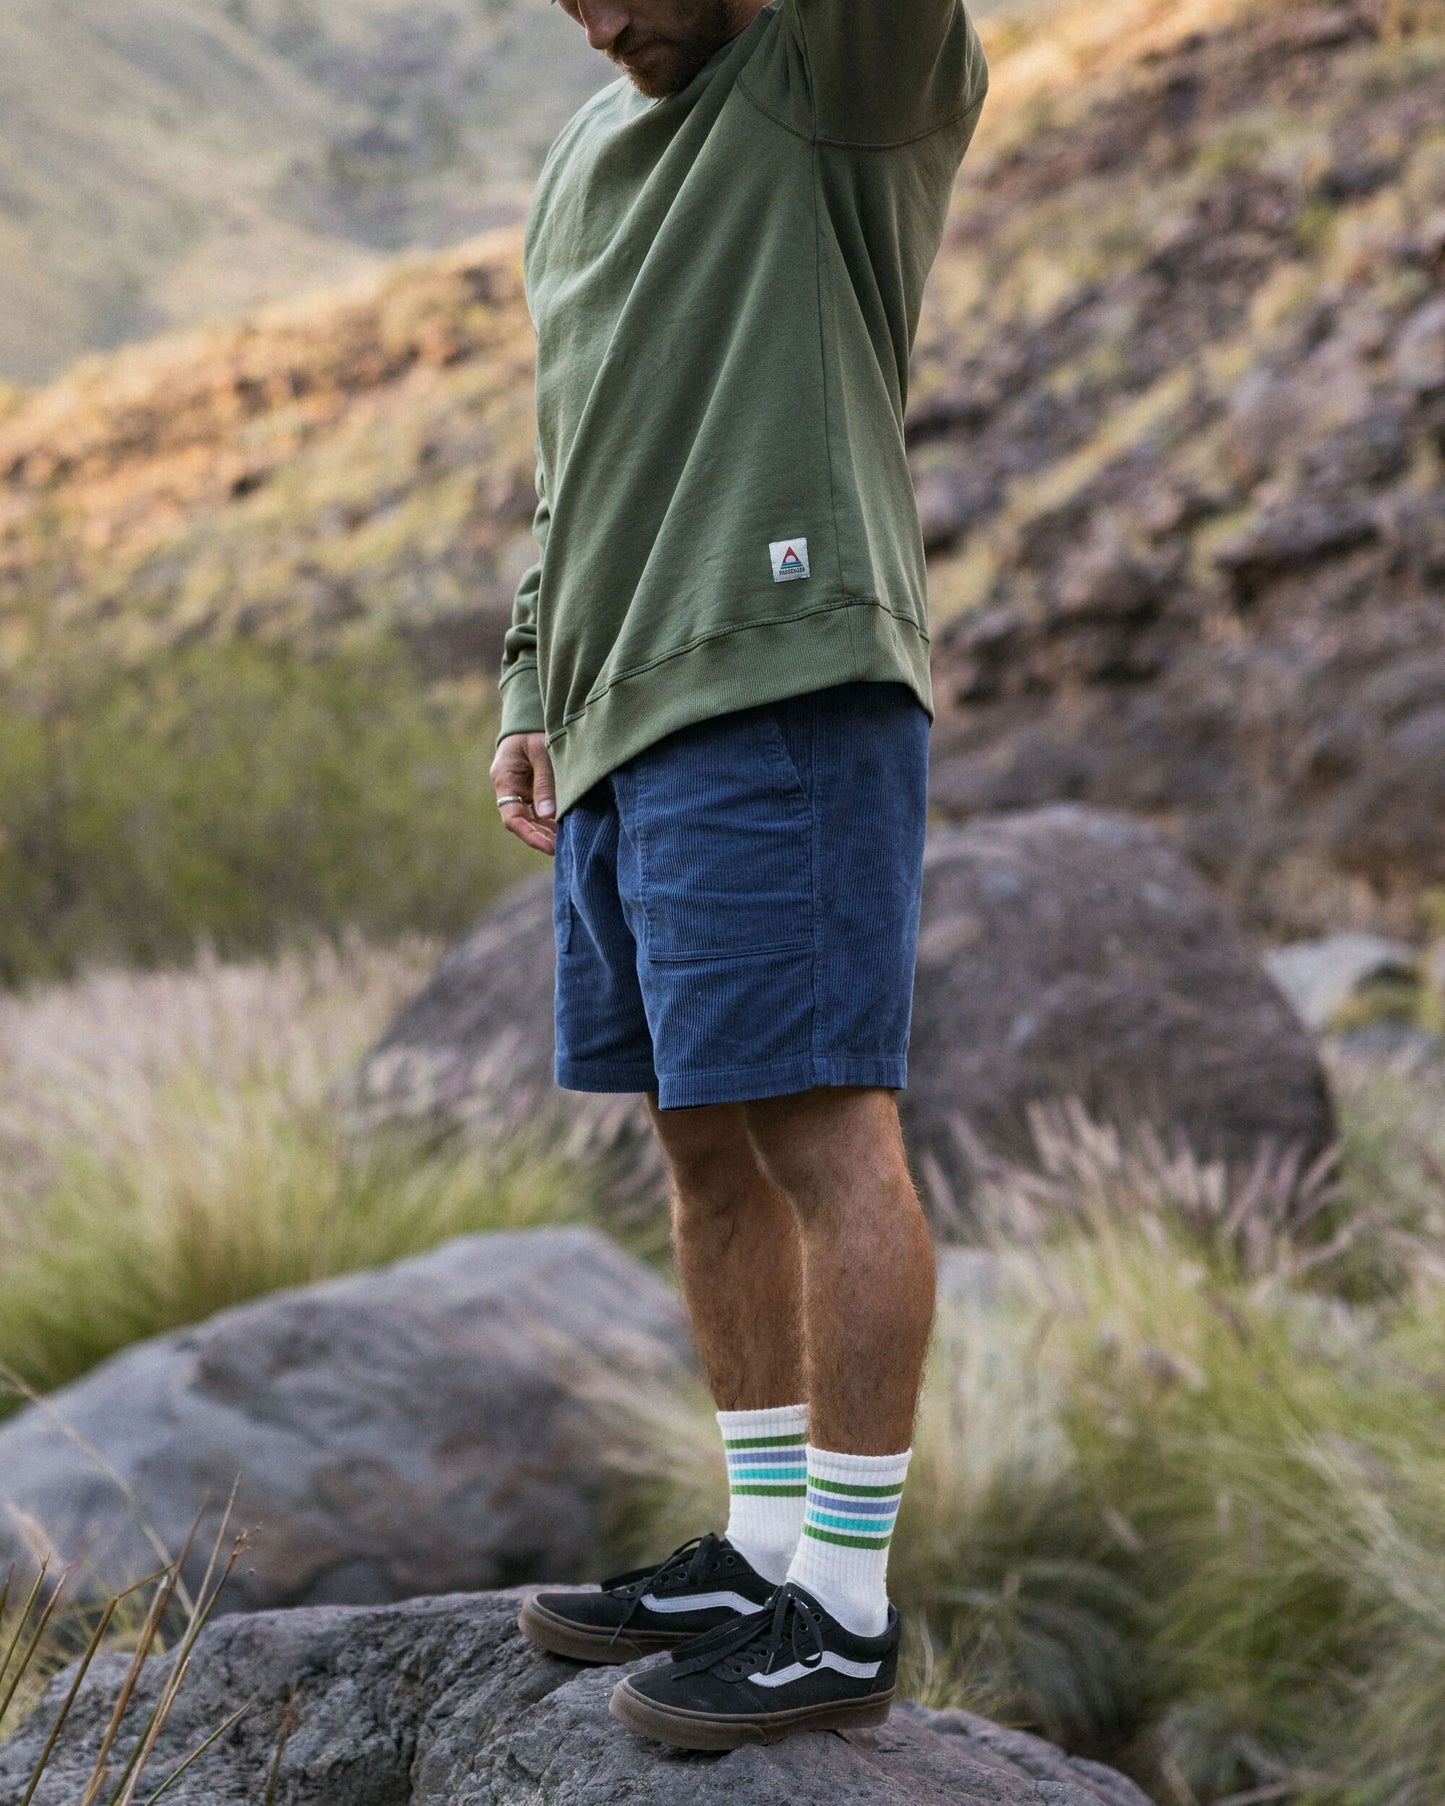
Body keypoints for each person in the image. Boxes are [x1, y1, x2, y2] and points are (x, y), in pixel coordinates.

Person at [491, 0, 988, 1753]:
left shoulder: (830, 74)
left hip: (783, 683)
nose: (596, 13)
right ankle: (759, 1552)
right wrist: (531, 683)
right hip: (617, 719)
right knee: (699, 1141)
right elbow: (574, 457)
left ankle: (839, 1603)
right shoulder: (576, 157)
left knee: (820, 1130)